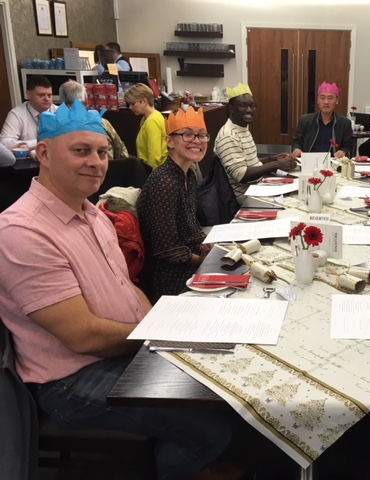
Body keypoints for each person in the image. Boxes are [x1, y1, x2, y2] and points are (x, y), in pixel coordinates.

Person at [0, 100, 242, 480]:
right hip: (71, 380)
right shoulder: (23, 232)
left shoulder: (91, 212)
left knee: (225, 381)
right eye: (81, 151)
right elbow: (83, 336)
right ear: (44, 153)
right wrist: (160, 333)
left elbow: (126, 286)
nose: (95, 162)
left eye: (101, 152)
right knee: (210, 428)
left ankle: (188, 459)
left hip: (126, 347)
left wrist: (159, 327)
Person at [137, 106, 212, 302]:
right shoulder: (164, 182)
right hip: (171, 278)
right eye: (188, 135)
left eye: (202, 136)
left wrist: (205, 245)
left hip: (188, 261)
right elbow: (166, 248)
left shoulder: (188, 174)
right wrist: (201, 261)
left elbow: (189, 225)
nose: (197, 141)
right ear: (169, 141)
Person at [215, 83, 297, 202]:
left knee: (299, 189)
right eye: (243, 106)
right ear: (231, 109)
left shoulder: (242, 128)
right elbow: (241, 175)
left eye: (253, 106)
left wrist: (273, 159)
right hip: (245, 195)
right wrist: (276, 165)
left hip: (258, 186)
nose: (249, 110)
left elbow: (250, 165)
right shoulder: (228, 136)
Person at [58, 80, 129, 160]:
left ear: (61, 100)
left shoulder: (53, 125)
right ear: (86, 100)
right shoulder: (102, 123)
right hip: (105, 170)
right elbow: (122, 153)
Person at [292, 82, 353, 159]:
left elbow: (347, 146)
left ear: (337, 100)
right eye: (322, 98)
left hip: (333, 162)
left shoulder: (344, 123)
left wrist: (343, 151)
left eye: (330, 98)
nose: (326, 102)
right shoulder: (305, 120)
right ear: (318, 100)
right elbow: (297, 142)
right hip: (308, 162)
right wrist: (297, 149)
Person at [0, 75, 57, 150]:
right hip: (27, 160)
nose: (47, 99)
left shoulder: (58, 111)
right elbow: (4, 142)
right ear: (29, 94)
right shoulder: (16, 114)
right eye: (41, 95)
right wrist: (38, 142)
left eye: (49, 95)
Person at [124, 83, 168, 169]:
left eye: (133, 104)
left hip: (153, 173)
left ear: (144, 101)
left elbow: (154, 157)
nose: (130, 107)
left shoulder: (152, 121)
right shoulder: (154, 116)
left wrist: (150, 179)